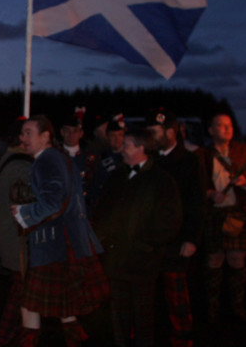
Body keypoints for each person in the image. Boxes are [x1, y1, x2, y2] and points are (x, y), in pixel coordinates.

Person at [11, 115, 108, 347]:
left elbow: (54, 202)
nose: (23, 138)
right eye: (22, 133)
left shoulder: (47, 160)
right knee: (67, 308)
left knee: (30, 304)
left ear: (45, 136)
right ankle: (78, 341)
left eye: (28, 133)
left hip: (56, 244)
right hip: (67, 242)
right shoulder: (57, 158)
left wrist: (24, 212)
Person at [94, 127, 183, 347]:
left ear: (141, 148)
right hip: (116, 261)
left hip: (143, 262)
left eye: (127, 144)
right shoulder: (117, 176)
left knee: (144, 317)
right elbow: (101, 212)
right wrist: (104, 240)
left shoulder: (161, 180)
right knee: (118, 316)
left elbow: (169, 220)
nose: (121, 148)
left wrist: (144, 244)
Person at [145, 108, 206, 346]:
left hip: (177, 241)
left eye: (154, 131)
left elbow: (197, 203)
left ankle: (182, 338)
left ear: (170, 132)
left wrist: (192, 239)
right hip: (151, 241)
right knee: (150, 296)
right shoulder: (150, 160)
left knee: (176, 296)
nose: (149, 135)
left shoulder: (190, 161)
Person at [197, 112, 246, 323]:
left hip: (238, 213)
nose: (226, 128)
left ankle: (237, 306)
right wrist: (209, 193)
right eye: (220, 125)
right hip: (215, 214)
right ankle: (212, 308)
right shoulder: (202, 155)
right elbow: (195, 183)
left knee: (237, 259)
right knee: (214, 260)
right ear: (210, 130)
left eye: (229, 125)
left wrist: (245, 182)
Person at [0, 117, 33, 347]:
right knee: (21, 301)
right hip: (18, 242)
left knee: (22, 300)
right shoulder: (21, 164)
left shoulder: (7, 159)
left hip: (10, 238)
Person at [58, 111, 99, 214]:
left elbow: (96, 188)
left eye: (75, 131)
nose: (71, 135)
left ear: (81, 134)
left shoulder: (91, 159)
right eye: (67, 131)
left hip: (84, 212)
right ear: (62, 132)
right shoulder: (54, 157)